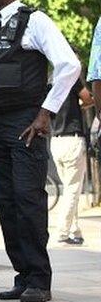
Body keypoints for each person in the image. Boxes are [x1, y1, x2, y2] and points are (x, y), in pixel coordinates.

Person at [0, 0, 81, 302]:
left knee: (27, 198)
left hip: (25, 123)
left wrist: (46, 112)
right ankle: (22, 272)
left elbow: (69, 65)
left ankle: (38, 278)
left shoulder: (34, 21)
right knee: (5, 201)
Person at [50, 76, 93, 246]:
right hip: (72, 139)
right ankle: (62, 233)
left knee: (69, 189)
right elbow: (88, 98)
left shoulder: (49, 81)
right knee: (73, 190)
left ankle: (75, 230)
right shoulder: (72, 78)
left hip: (55, 141)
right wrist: (83, 105)